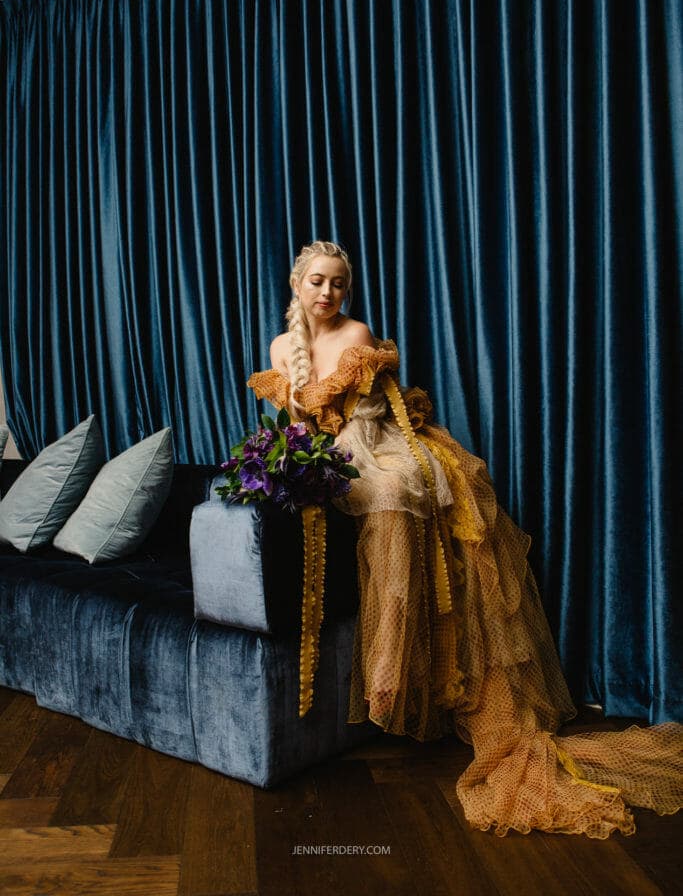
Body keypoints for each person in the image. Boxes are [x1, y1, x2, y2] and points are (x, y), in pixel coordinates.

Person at [248, 240, 682, 839]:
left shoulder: (357, 335)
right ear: (297, 285)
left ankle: (388, 665)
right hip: (328, 457)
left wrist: (338, 460)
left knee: (397, 496)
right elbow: (294, 426)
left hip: (374, 447)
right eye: (318, 281)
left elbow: (370, 422)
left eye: (339, 284)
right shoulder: (279, 347)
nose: (329, 294)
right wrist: (293, 464)